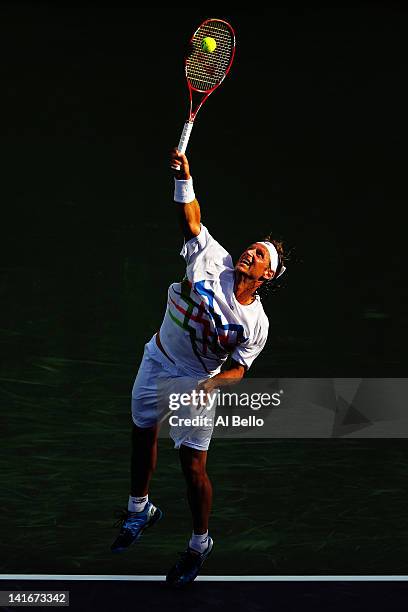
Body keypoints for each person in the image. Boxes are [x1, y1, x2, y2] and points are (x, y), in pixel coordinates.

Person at [111, 148, 286, 586]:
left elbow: (240, 369)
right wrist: (184, 178)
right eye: (251, 248)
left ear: (267, 276)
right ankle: (140, 510)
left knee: (193, 467)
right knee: (142, 431)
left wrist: (213, 382)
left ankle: (199, 543)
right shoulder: (211, 257)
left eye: (259, 255)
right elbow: (191, 218)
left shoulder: (256, 323)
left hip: (196, 380)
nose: (250, 253)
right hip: (158, 357)